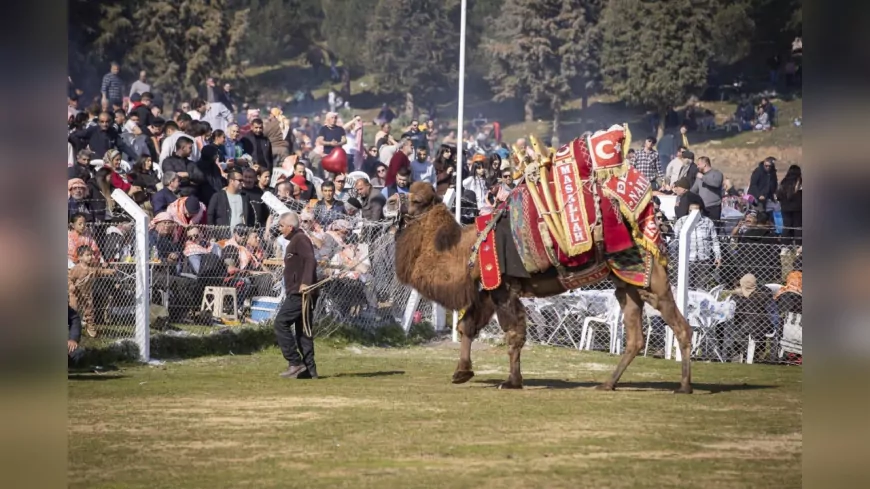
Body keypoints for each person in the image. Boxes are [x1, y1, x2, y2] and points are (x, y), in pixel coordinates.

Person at [274, 212, 319, 379]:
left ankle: (294, 363)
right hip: (300, 292)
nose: (279, 229)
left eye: (281, 226)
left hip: (300, 292)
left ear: (290, 227)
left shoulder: (300, 239)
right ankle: (310, 370)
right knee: (303, 330)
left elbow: (310, 260)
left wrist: (306, 282)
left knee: (281, 323)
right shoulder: (296, 240)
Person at [691, 156, 724, 225]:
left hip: (714, 207)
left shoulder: (717, 174)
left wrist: (703, 177)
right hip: (703, 208)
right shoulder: (699, 177)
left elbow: (716, 183)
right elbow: (693, 190)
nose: (697, 167)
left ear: (705, 164)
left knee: (714, 228)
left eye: (699, 164)